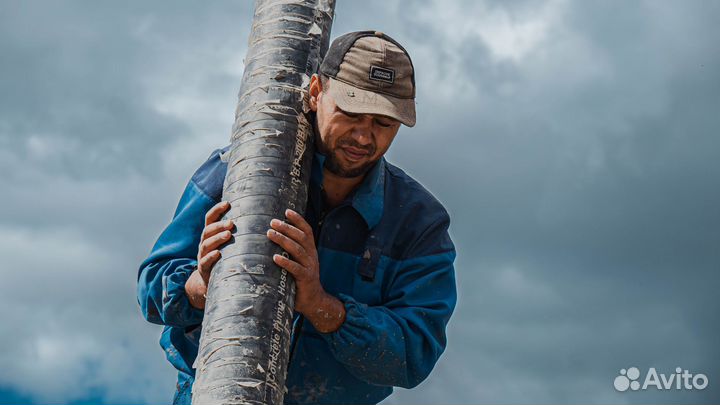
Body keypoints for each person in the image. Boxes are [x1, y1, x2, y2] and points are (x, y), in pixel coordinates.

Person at [137, 30, 457, 405]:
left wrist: (323, 308)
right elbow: (150, 289)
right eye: (351, 113)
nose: (363, 136)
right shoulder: (237, 173)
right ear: (317, 92)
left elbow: (415, 352)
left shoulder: (419, 222)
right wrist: (200, 285)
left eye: (383, 123)